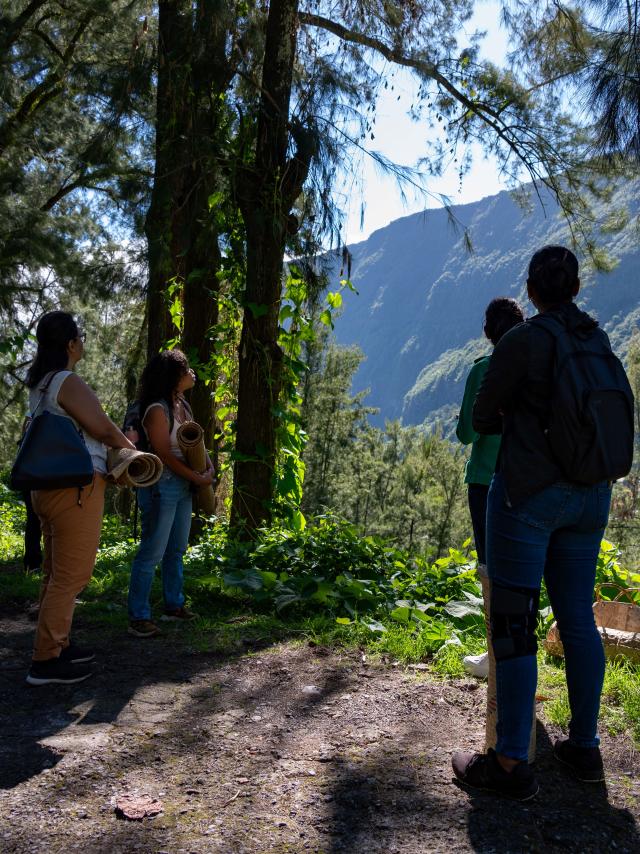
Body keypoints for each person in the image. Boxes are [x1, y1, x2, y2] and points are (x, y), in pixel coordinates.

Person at [452, 246, 616, 800]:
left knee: (514, 622)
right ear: (574, 286)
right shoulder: (596, 337)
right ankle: (585, 748)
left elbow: (479, 418)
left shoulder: (523, 341)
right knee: (577, 617)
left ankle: (509, 762)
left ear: (532, 289)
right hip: (592, 495)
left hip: (529, 495)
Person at [25, 311, 136, 685]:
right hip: (76, 487)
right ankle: (45, 661)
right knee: (73, 576)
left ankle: (57, 644)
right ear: (71, 344)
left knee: (55, 572)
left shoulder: (41, 383)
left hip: (46, 487)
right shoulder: (66, 381)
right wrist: (131, 452)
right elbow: (102, 427)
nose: (83, 342)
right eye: (81, 337)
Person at [456, 298, 524, 678]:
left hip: (485, 480)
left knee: (490, 569)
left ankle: (494, 657)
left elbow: (466, 432)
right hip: (529, 479)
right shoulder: (534, 369)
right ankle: (516, 652)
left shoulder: (483, 370)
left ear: (489, 332)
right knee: (521, 568)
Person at [127, 349, 214, 638]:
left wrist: (207, 469)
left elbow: (194, 442)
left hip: (182, 485)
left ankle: (174, 605)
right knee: (152, 551)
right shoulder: (156, 409)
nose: (192, 373)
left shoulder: (183, 406)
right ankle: (139, 616)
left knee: (176, 549)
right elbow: (163, 454)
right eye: (186, 368)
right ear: (174, 376)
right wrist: (197, 478)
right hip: (161, 486)